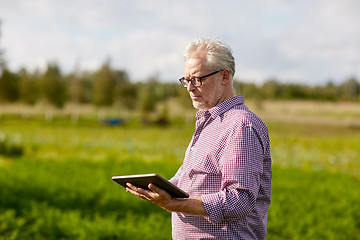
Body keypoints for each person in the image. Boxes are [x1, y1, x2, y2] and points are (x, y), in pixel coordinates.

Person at [126, 38, 272, 239]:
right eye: (186, 80)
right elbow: (187, 179)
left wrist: (173, 204)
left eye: (197, 79)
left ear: (224, 76)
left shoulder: (241, 126)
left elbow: (239, 201)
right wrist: (155, 189)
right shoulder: (209, 122)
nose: (190, 88)